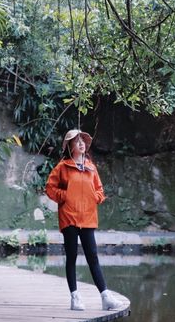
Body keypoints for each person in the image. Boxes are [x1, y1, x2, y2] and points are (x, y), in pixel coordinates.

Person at [45, 128, 122, 311]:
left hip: (88, 217)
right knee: (71, 257)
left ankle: (105, 297)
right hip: (69, 217)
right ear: (70, 146)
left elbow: (99, 190)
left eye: (83, 141)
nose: (81, 143)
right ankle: (75, 298)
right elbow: (50, 187)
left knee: (93, 257)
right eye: (76, 141)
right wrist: (65, 196)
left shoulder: (91, 167)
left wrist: (95, 197)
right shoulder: (62, 167)